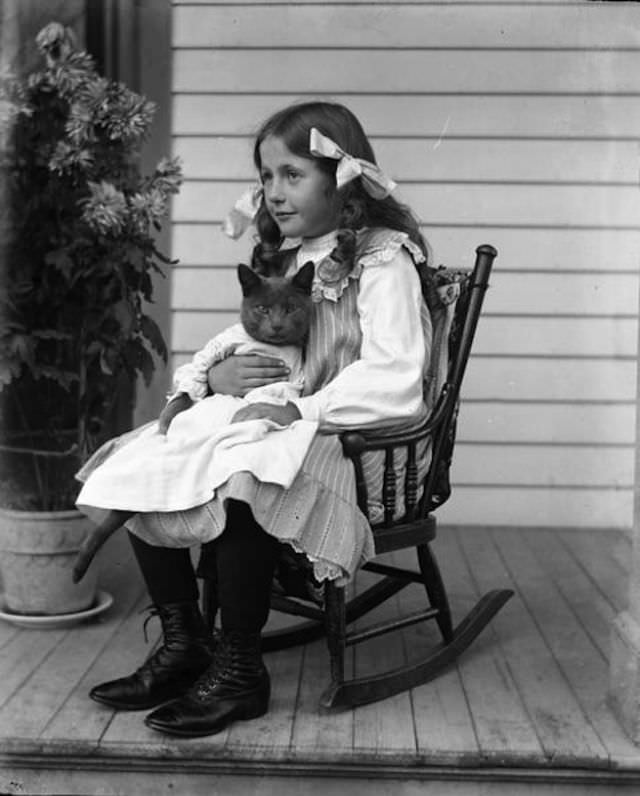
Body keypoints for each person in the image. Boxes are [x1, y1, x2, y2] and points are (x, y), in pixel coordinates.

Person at [83, 100, 433, 738]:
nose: (273, 192)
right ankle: (185, 641)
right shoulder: (289, 255)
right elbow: (251, 342)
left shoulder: (384, 260)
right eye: (266, 176)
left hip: (357, 439)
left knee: (245, 473)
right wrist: (214, 379)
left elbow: (398, 377)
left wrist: (300, 408)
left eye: (291, 174)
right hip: (285, 421)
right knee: (153, 456)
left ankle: (241, 669)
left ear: (343, 179)